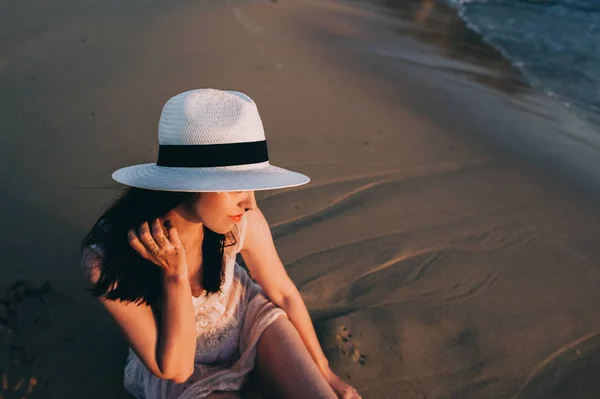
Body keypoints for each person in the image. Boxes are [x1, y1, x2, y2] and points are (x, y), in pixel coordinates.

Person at [80, 89, 362, 399]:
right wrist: (174, 275)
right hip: (183, 366)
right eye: (237, 188)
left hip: (247, 322)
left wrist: (325, 372)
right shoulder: (107, 260)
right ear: (189, 183)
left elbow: (283, 293)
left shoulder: (240, 221)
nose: (250, 204)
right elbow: (176, 369)